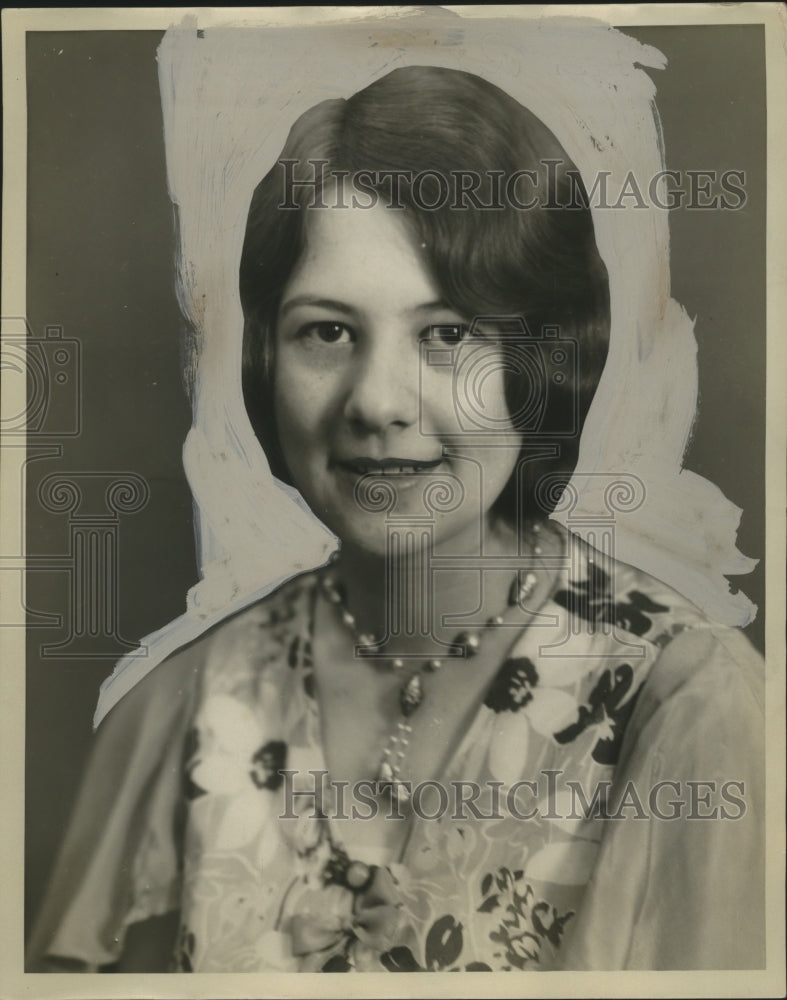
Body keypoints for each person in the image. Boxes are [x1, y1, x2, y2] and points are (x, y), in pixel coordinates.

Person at [27, 65, 764, 974]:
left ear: (539, 361)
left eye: (448, 334)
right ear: (266, 358)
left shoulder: (688, 706)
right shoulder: (176, 710)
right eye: (326, 331)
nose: (377, 402)